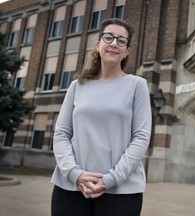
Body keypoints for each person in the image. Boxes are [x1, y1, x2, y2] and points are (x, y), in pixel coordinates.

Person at [51, 18, 152, 216]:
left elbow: (141, 138)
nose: (114, 43)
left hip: (121, 191)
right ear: (98, 45)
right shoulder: (77, 85)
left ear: (127, 51)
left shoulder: (137, 85)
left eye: (121, 41)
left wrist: (110, 179)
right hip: (71, 187)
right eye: (108, 37)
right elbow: (61, 134)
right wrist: (75, 174)